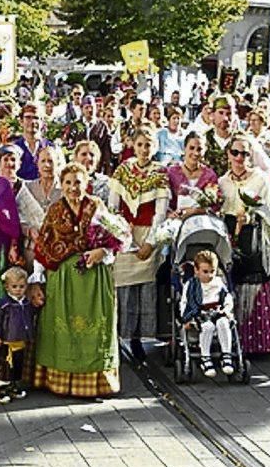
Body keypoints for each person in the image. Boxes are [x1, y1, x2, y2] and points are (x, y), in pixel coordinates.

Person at [30, 162, 123, 397]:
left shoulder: (97, 207)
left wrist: (102, 252)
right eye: (68, 183)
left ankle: (96, 382)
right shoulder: (54, 211)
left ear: (86, 183)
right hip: (61, 281)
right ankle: (59, 380)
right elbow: (43, 247)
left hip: (94, 280)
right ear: (62, 185)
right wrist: (37, 281)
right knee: (62, 328)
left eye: (78, 182)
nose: (73, 188)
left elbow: (118, 238)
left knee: (94, 328)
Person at [108, 128, 169, 365]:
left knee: (144, 288)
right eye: (141, 144)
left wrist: (150, 243)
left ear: (154, 148)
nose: (144, 149)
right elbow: (113, 208)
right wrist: (121, 235)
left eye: (149, 145)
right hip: (125, 233)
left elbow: (160, 212)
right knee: (123, 289)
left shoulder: (160, 173)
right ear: (133, 145)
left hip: (147, 235)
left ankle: (139, 339)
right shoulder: (122, 170)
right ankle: (121, 337)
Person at [218, 137, 270, 355]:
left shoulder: (260, 179)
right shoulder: (221, 182)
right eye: (235, 152)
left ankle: (259, 343)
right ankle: (232, 343)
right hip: (230, 239)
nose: (239, 158)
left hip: (254, 239)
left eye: (244, 154)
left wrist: (254, 213)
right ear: (228, 154)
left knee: (255, 283)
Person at [179, 249, 236, 377]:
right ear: (196, 271)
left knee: (223, 323)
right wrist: (186, 319)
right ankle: (205, 357)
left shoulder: (218, 283)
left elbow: (227, 297)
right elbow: (184, 302)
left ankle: (226, 355)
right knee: (207, 327)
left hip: (217, 310)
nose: (209, 275)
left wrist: (227, 309)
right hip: (199, 313)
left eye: (212, 271)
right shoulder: (191, 285)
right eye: (205, 272)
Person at [0, 266, 36, 404]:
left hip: (21, 340)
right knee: (4, 367)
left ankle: (12, 386)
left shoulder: (26, 303)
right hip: (7, 341)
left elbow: (29, 318)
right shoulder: (3, 304)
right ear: (7, 287)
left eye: (22, 286)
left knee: (17, 365)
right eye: (14, 286)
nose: (18, 290)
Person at [167, 133, 219, 217]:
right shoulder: (171, 172)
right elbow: (165, 203)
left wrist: (196, 211)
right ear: (184, 149)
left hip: (202, 222)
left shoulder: (210, 175)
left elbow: (215, 206)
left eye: (199, 149)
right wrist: (170, 214)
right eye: (191, 148)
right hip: (176, 221)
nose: (195, 153)